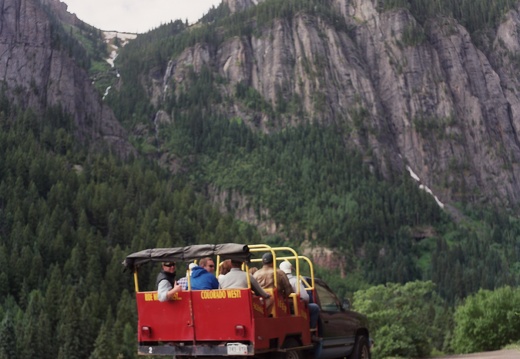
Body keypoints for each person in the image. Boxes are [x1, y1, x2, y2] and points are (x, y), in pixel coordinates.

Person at [279, 260, 320, 331]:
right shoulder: (295, 281)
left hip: (281, 306)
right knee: (315, 307)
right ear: (291, 269)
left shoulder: (277, 281)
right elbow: (305, 297)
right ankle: (311, 328)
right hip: (294, 308)